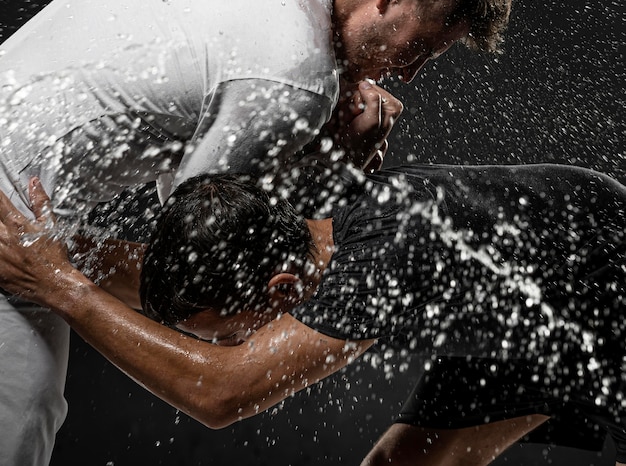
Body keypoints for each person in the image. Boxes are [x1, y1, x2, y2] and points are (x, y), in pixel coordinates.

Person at [0, 0, 511, 464]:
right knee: (20, 423)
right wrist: (336, 162)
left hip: (17, 177)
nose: (407, 73)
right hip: (9, 211)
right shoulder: (297, 76)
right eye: (418, 47)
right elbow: (197, 257)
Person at [0, 162, 623, 464]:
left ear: (278, 288)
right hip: (533, 318)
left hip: (610, 287)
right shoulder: (311, 242)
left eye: (233, 334)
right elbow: (189, 286)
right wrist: (65, 257)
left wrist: (64, 290)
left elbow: (220, 393)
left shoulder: (376, 263)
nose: (233, 346)